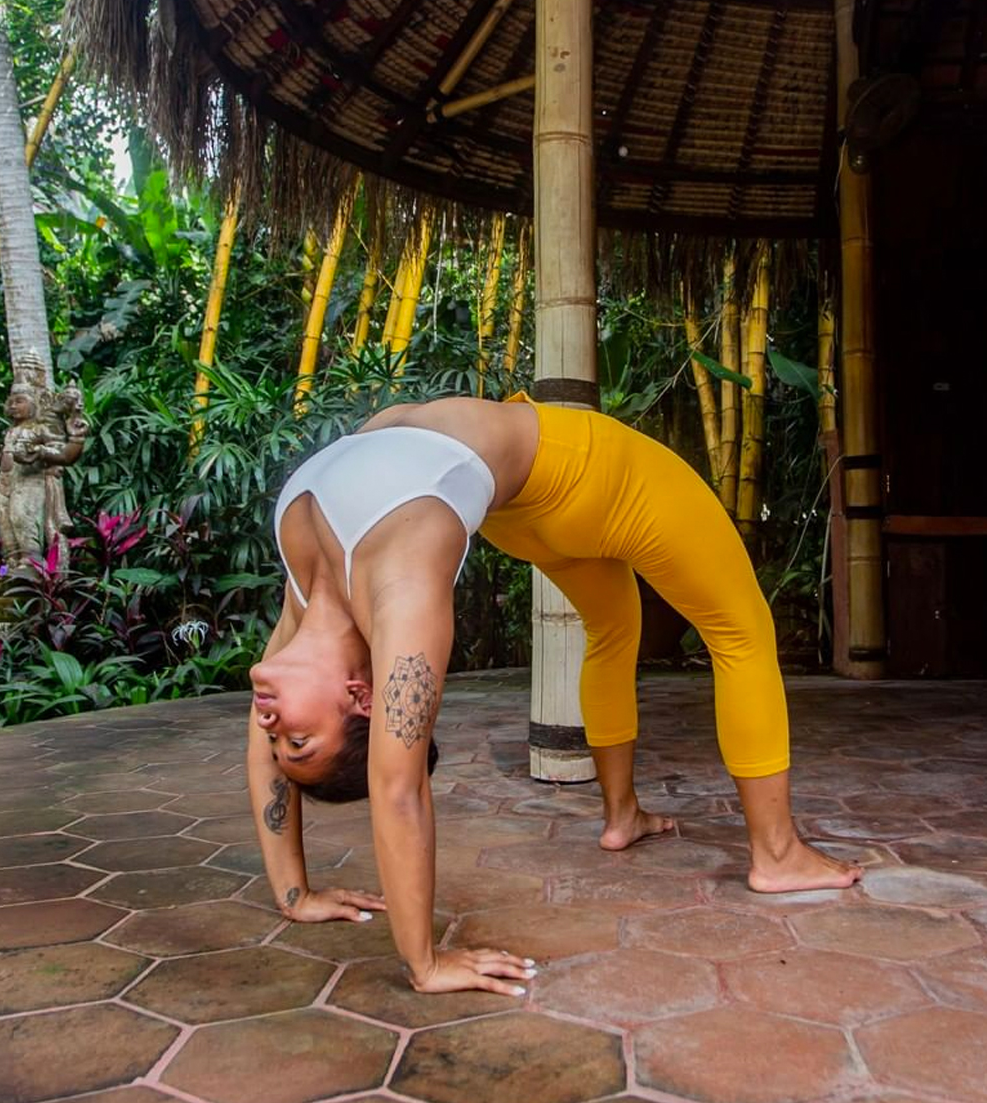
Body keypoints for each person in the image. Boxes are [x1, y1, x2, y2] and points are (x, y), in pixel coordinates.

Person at [247, 394, 861, 998]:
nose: (271, 724)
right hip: (592, 472)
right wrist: (424, 962)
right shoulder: (400, 588)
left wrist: (295, 894)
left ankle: (623, 817)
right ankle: (777, 854)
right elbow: (397, 785)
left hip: (527, 514)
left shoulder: (310, 600)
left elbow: (262, 743)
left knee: (614, 629)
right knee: (741, 630)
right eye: (296, 740)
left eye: (279, 741)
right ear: (362, 698)